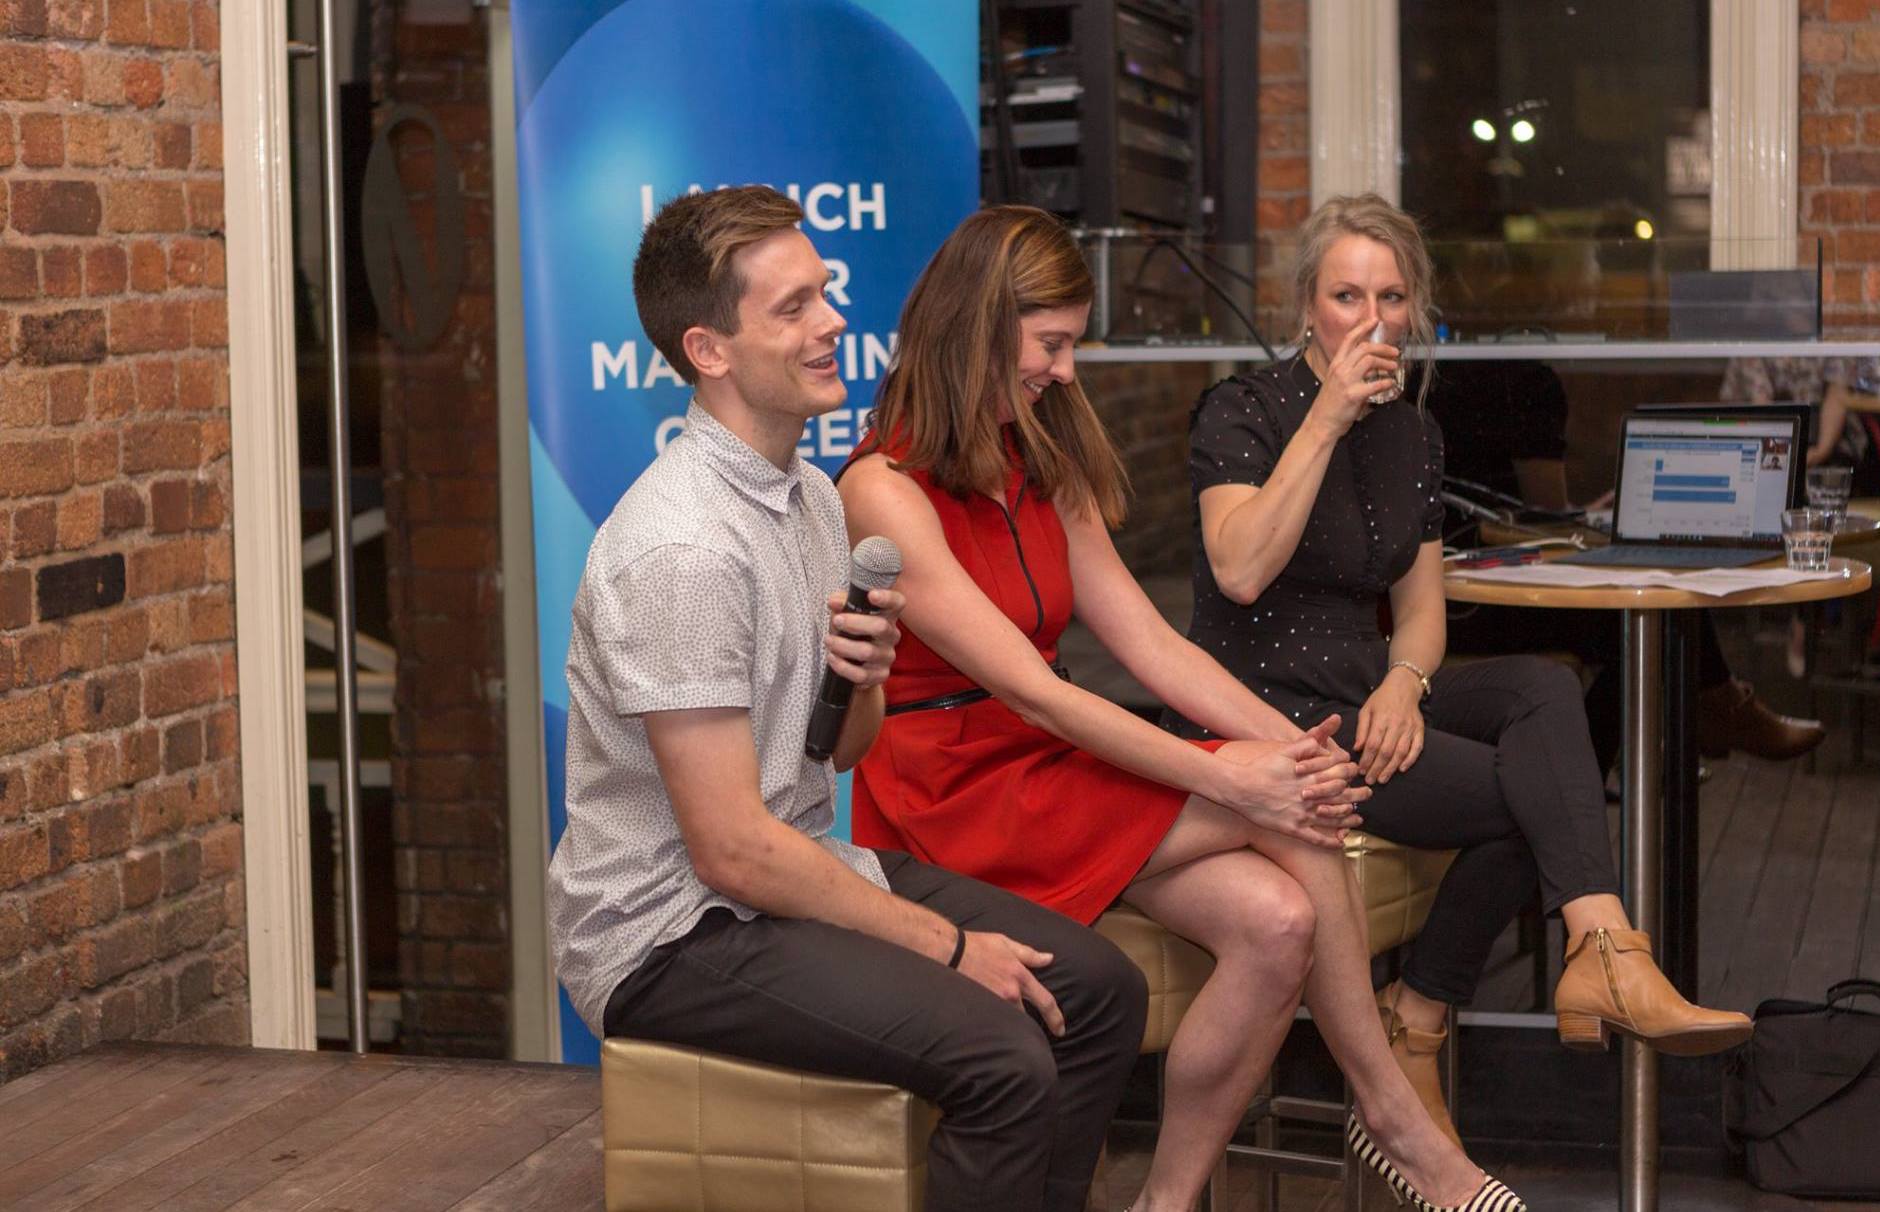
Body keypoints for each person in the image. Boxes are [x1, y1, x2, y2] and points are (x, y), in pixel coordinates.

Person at [838, 205, 1526, 1212]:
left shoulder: (1039, 457)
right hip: (945, 794)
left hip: (1041, 762)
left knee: (1279, 922)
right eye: (1052, 345)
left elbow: (1152, 648)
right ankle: (1390, 1116)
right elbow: (1034, 689)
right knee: (1277, 809)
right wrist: (1229, 772)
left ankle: (1163, 1203)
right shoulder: (881, 485)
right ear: (977, 326)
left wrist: (1289, 747)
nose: (1065, 371)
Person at [545, 187, 1150, 1212]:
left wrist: (860, 677)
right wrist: (951, 948)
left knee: (1096, 990)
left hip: (789, 872)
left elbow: (840, 755)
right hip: (669, 935)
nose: (832, 321)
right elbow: (729, 850)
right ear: (710, 350)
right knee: (1003, 1050)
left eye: (823, 292)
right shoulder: (682, 548)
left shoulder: (814, 498)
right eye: (791, 309)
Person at [1166, 192, 1754, 1149]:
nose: (1370, 320)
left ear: (1416, 308)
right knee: (1542, 798)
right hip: (1270, 715)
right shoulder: (1245, 410)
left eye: (1390, 297)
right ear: (1306, 307)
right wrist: (1324, 419)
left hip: (1368, 695)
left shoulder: (1415, 435)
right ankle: (1441, 1006)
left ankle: (1593, 947)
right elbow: (1238, 567)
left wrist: (1406, 684)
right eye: (1346, 295)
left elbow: (1422, 612)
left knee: (1544, 690)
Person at [1428, 359, 1827, 769]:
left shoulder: (1420, 378)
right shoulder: (1523, 381)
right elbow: (1543, 510)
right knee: (1646, 620)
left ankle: (1598, 771)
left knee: (1648, 619)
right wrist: (1580, 515)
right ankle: (1701, 714)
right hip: (1468, 604)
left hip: (1433, 598)